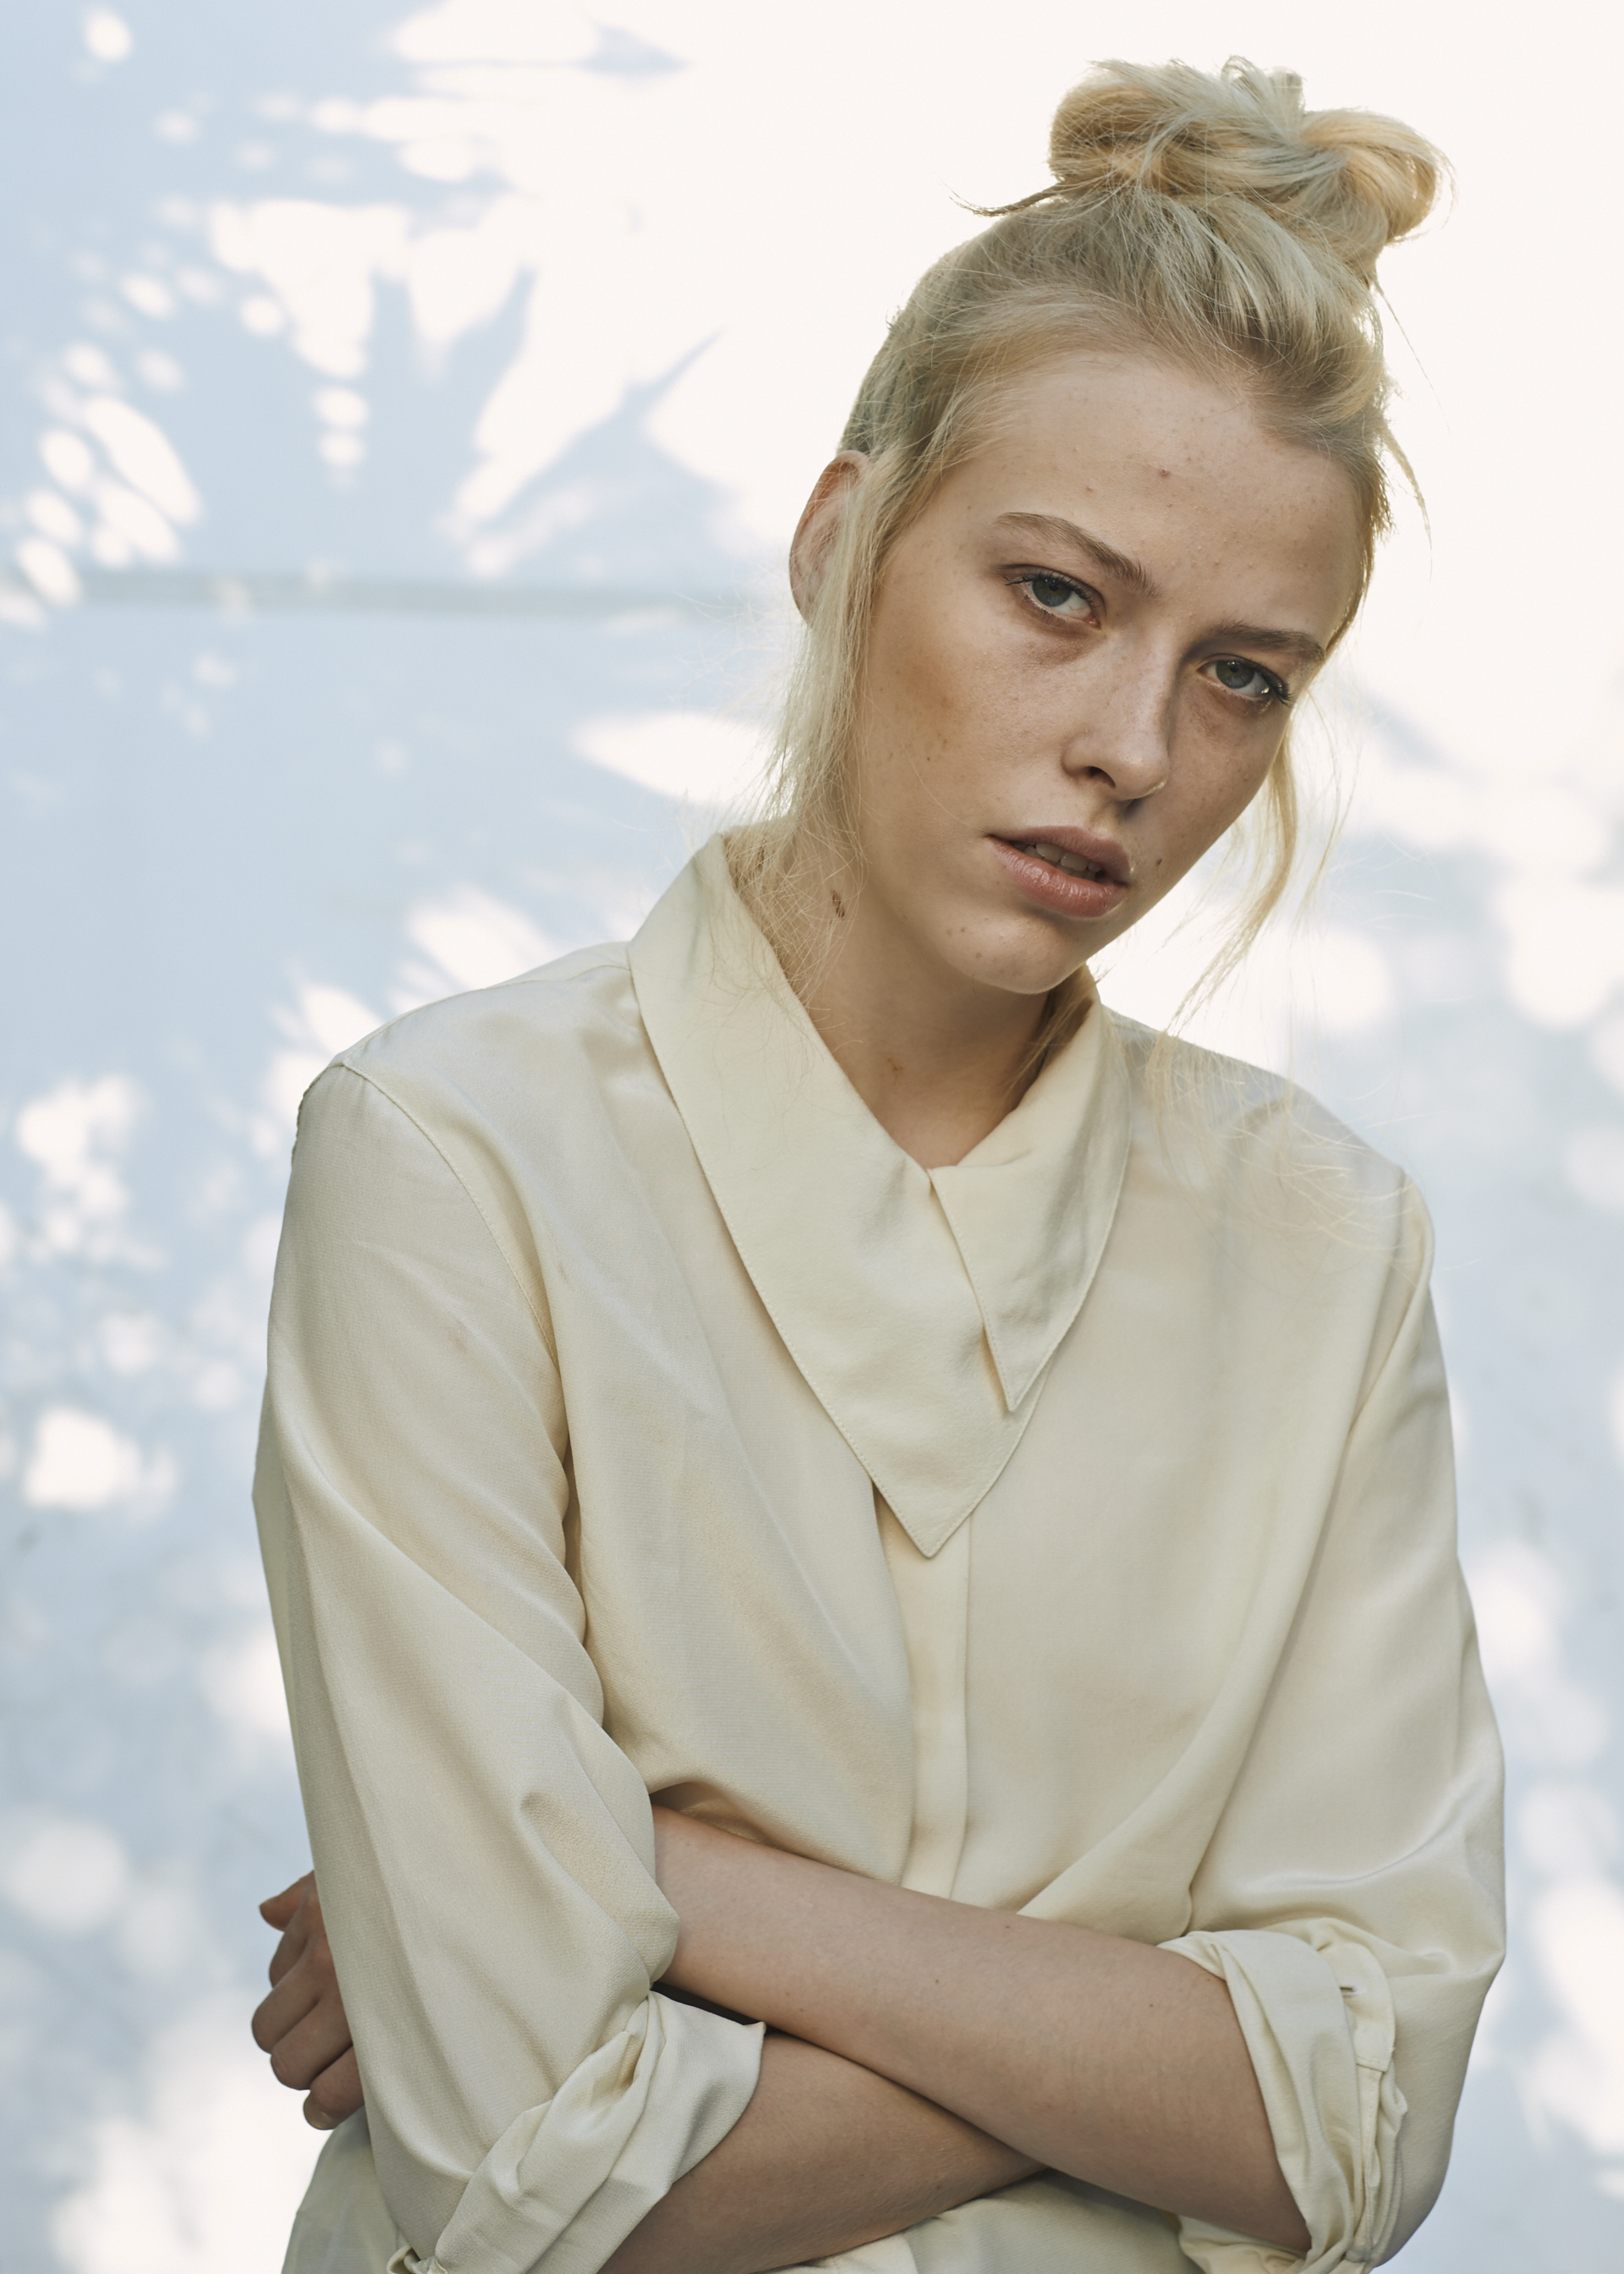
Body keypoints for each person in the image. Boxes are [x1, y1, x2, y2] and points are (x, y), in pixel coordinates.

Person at [250, 56, 1504, 2274]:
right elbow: (534, 2189)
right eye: (1054, 595)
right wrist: (1150, 2035)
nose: (1132, 747)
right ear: (845, 540)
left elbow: (1367, 2122)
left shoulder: (1324, 1244)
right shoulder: (452, 1162)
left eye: (1242, 675)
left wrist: (680, 1889)